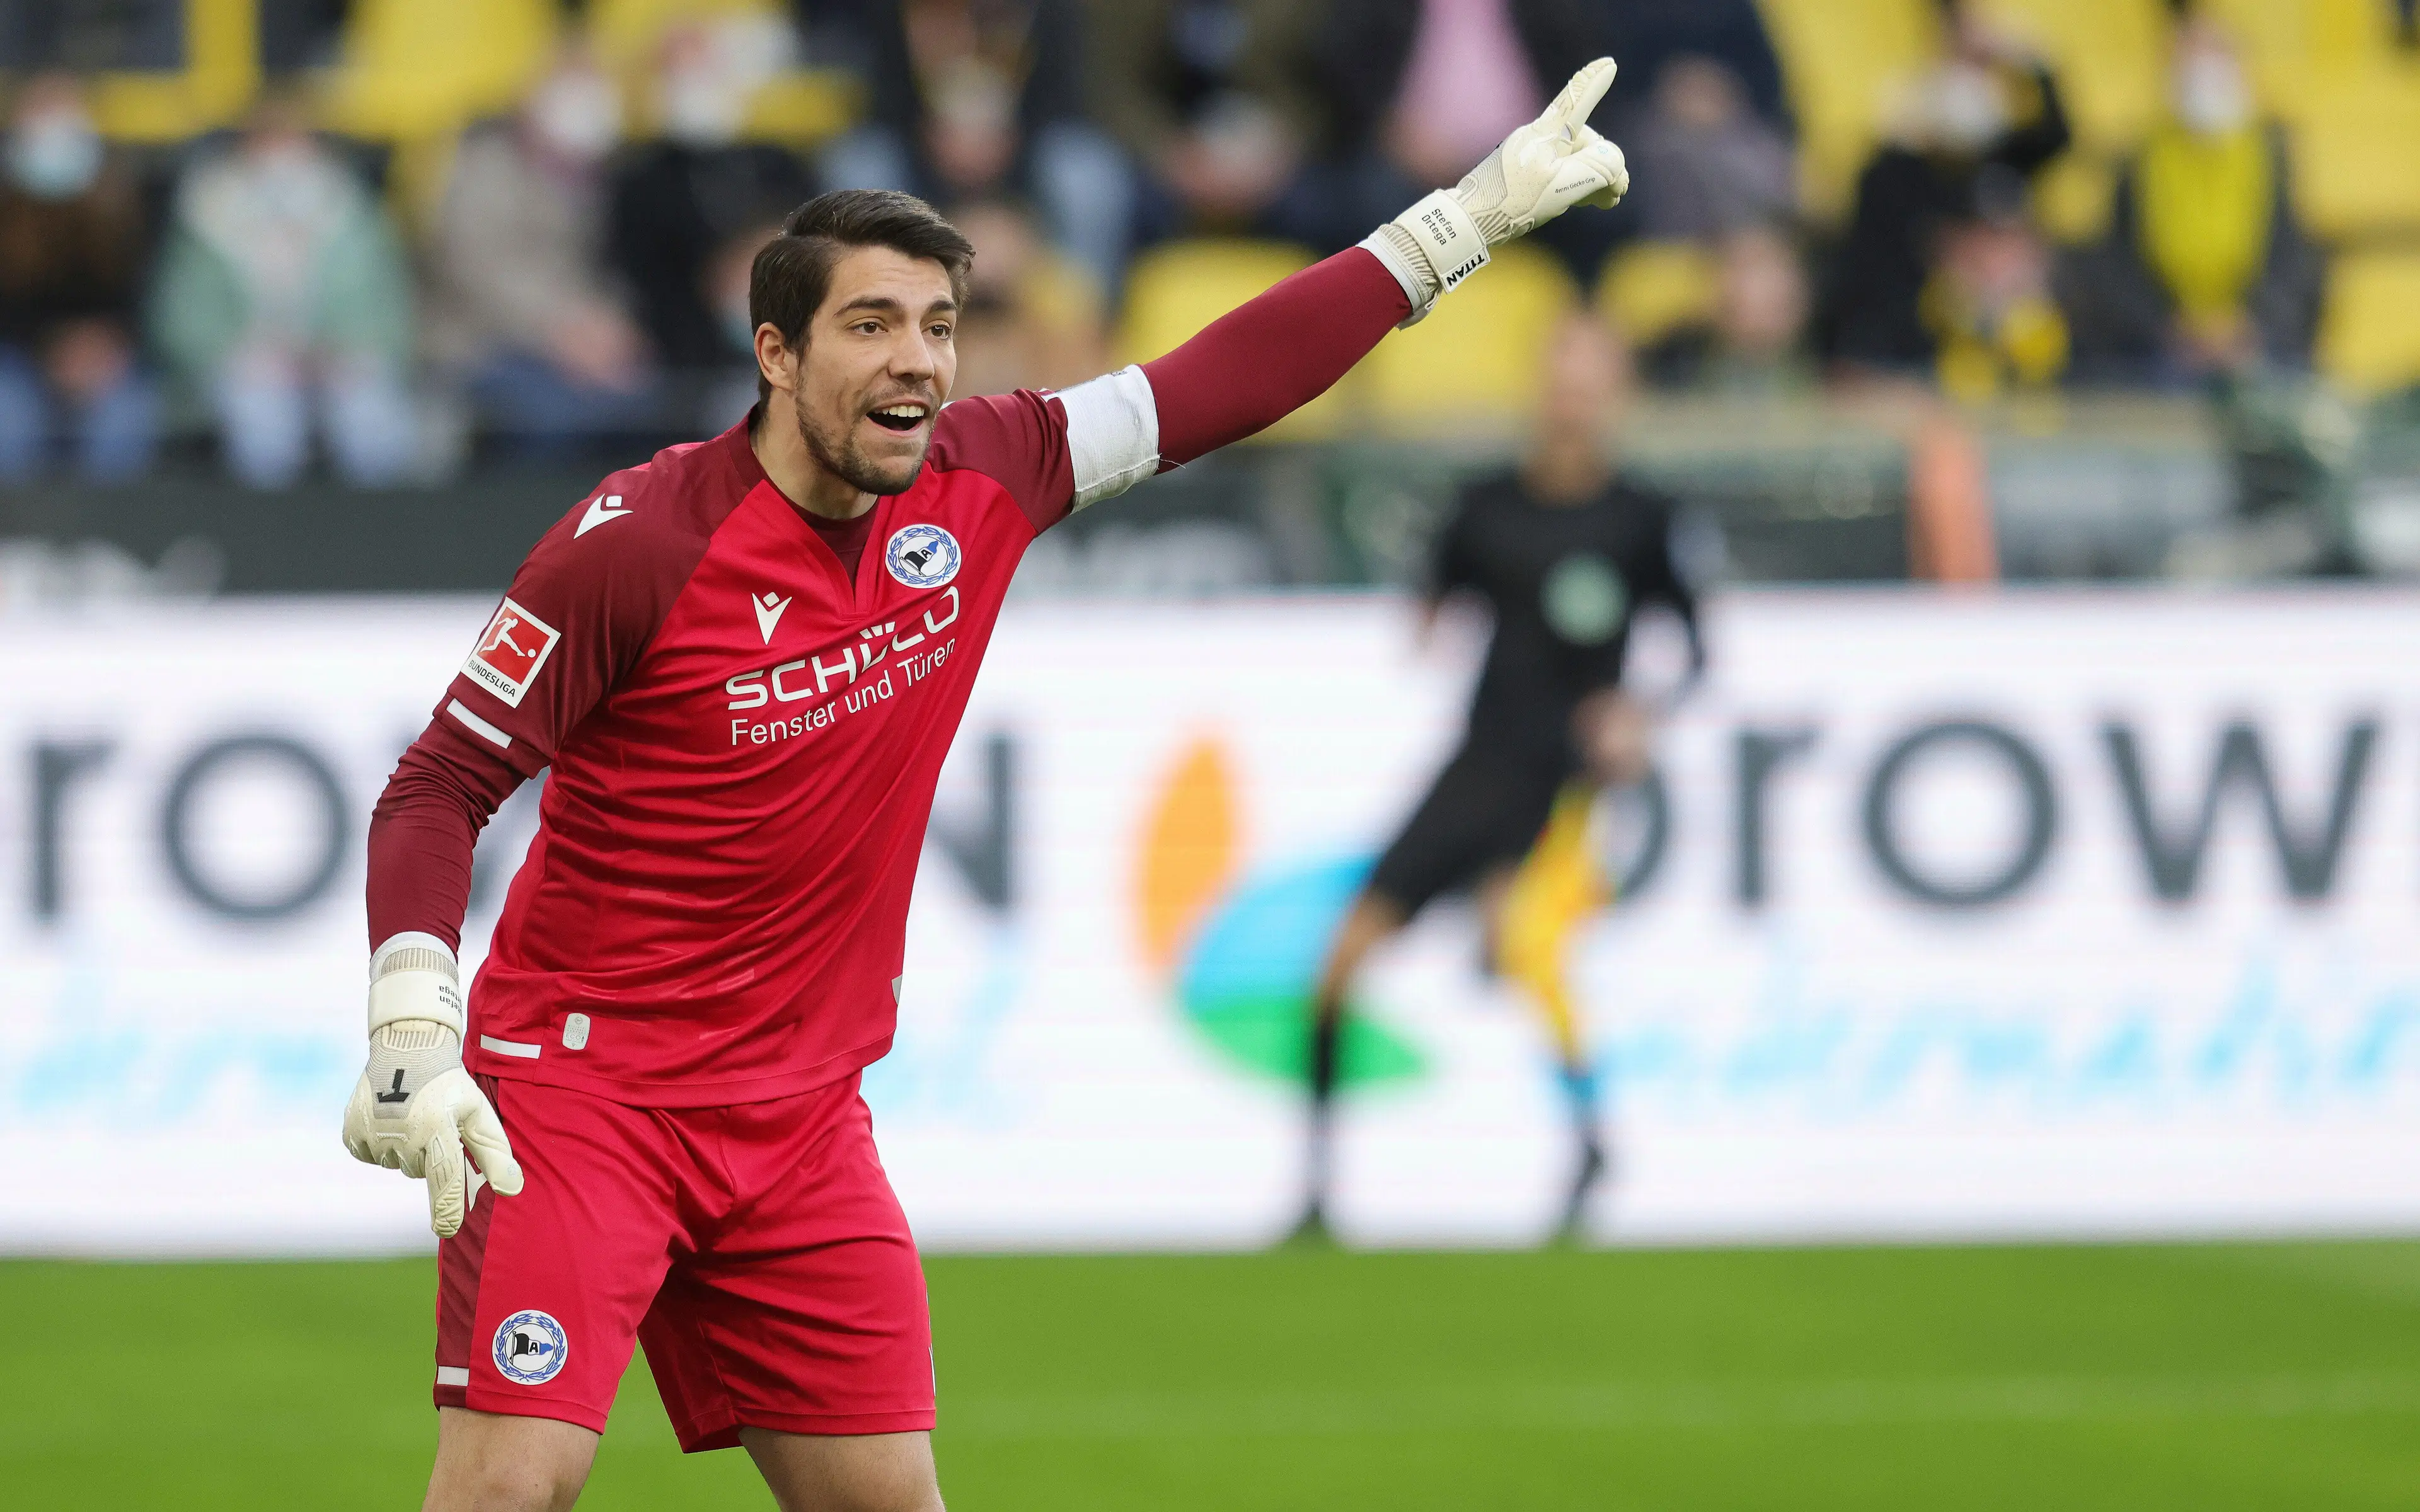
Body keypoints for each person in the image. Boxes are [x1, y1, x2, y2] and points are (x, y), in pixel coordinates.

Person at [343, 63, 1630, 1511]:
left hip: (799, 1121)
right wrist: (411, 1007)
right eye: (872, 325)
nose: (917, 361)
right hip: (586, 1094)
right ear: (775, 351)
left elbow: (1220, 380)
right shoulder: (635, 540)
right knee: (516, 1486)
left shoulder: (986, 472)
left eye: (940, 326)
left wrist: (1457, 224)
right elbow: (442, 778)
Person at [1298, 314, 1705, 1245]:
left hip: (1562, 780)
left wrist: (1636, 714)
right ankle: (1318, 1186)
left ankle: (1591, 1141)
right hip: (1478, 763)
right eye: (1561, 376)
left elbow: (1695, 651)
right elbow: (1436, 603)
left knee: (1529, 954)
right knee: (1342, 959)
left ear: (1616, 395)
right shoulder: (1487, 506)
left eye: (1591, 378)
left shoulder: (1640, 517)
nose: (1573, 397)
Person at [150, 89, 418, 487]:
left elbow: (388, 312)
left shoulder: (351, 213)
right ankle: (269, 537)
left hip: (338, 361)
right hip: (244, 365)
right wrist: (244, 355)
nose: (280, 157)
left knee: (372, 421)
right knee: (263, 423)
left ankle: (379, 535)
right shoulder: (205, 213)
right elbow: (179, 320)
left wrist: (341, 352)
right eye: (267, 141)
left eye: (291, 140)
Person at [2061, 10, 2320, 384]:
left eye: (2212, 55)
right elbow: (2118, 262)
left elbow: (2292, 256)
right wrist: (2170, 327)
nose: (2199, 71)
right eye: (2187, 59)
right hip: (2163, 348)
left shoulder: (2271, 152)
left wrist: (2249, 325)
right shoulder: (2140, 155)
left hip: (2256, 342)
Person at [428, 46, 659, 461]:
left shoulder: (606, 180)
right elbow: (475, 269)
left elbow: (614, 269)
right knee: (554, 416)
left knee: (652, 408)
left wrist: (610, 329)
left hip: (585, 350)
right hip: (485, 345)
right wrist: (562, 329)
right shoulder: (484, 167)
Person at [1821, 0, 2071, 382]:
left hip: (2002, 363)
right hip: (1915, 365)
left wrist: (2027, 61)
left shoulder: (2003, 160)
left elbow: (2059, 134)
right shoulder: (1893, 176)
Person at [821, 0, 1134, 292]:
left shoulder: (1054, 12)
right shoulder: (894, 10)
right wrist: (932, 146)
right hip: (919, 165)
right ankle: (877, 308)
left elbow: (1066, 102)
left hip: (1025, 174)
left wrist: (1010, 153)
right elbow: (884, 101)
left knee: (1086, 174)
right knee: (859, 164)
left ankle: (1078, 322)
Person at [0, 70, 157, 483]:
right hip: (19, 354)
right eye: (42, 116)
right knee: (8, 411)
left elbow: (145, 295)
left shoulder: (128, 202)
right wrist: (50, 348)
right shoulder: (8, 206)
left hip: (107, 353)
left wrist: (106, 344)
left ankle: (110, 533)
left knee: (125, 411)